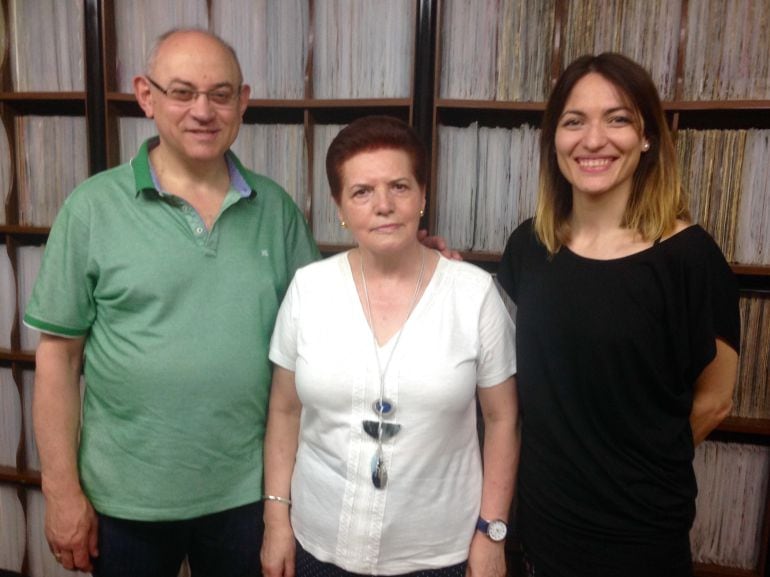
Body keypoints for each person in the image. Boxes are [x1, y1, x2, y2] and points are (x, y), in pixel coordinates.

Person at [24, 29, 320, 576]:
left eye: (221, 94)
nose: (203, 111)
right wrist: (61, 492)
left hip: (248, 494)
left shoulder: (276, 211)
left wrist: (410, 257)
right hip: (123, 499)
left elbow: (327, 328)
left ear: (243, 101)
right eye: (182, 92)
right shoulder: (92, 208)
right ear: (146, 95)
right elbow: (58, 358)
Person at [497, 53, 741, 577]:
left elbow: (716, 400)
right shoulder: (530, 246)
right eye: (574, 121)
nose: (593, 140)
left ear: (647, 136)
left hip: (639, 539)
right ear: (554, 139)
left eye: (618, 118)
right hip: (541, 528)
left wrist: (627, 470)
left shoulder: (690, 259)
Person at [260, 115, 520, 577]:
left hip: (439, 554)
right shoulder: (308, 289)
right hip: (317, 546)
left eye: (399, 187)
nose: (383, 205)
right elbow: (284, 411)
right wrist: (276, 518)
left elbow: (503, 420)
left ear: (422, 195)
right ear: (339, 206)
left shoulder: (474, 294)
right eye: (361, 192)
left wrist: (491, 530)